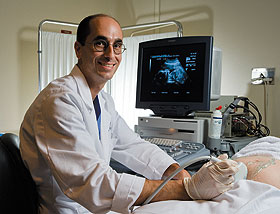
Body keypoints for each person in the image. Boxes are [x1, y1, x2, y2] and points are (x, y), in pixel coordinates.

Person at [20, 14, 238, 214]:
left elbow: (133, 145)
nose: (110, 55)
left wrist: (175, 170)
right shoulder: (59, 100)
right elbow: (94, 185)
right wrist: (187, 189)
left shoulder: (103, 102)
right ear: (78, 49)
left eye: (117, 46)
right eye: (100, 44)